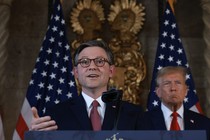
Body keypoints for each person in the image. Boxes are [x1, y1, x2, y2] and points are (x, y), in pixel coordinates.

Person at [30, 39, 143, 131]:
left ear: (111, 71)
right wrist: (35, 138)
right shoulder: (55, 115)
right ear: (76, 72)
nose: (92, 67)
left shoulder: (134, 114)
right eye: (84, 62)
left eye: (99, 61)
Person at [140, 66, 210, 136]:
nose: (173, 88)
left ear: (186, 90)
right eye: (167, 83)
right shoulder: (142, 122)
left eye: (178, 83)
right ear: (158, 92)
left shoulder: (204, 123)